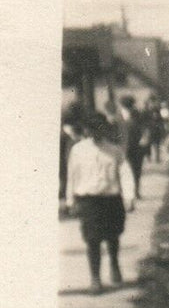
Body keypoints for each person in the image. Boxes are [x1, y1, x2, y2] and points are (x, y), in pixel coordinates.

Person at [64, 114, 136, 294]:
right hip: (89, 200)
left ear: (104, 129)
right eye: (91, 129)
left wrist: (129, 197)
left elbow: (125, 174)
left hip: (111, 199)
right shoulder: (78, 150)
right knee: (92, 239)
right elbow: (72, 176)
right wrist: (70, 200)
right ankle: (95, 278)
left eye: (99, 128)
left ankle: (114, 264)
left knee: (113, 236)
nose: (95, 132)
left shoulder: (114, 150)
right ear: (86, 130)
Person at [116, 95, 149, 199]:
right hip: (122, 147)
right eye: (125, 107)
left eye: (128, 107)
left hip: (136, 147)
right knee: (123, 170)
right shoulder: (118, 116)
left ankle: (135, 191)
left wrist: (144, 138)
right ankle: (122, 191)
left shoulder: (138, 116)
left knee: (136, 169)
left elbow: (145, 129)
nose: (126, 109)